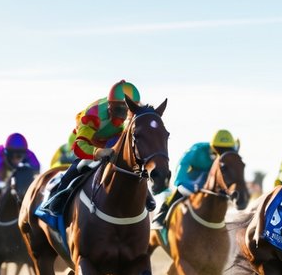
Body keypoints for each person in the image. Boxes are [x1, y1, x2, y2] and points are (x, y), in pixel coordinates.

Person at [35, 80, 138, 226]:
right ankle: (56, 201)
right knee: (81, 166)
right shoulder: (93, 114)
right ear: (110, 106)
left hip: (113, 138)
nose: (123, 117)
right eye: (118, 110)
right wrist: (98, 152)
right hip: (88, 140)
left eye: (127, 111)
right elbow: (79, 146)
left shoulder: (134, 115)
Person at [153, 129, 240, 229]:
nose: (222, 154)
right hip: (192, 179)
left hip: (211, 180)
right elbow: (183, 164)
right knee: (180, 191)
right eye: (219, 150)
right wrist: (181, 182)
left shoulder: (230, 156)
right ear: (213, 147)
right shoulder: (197, 150)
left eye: (226, 150)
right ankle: (161, 215)